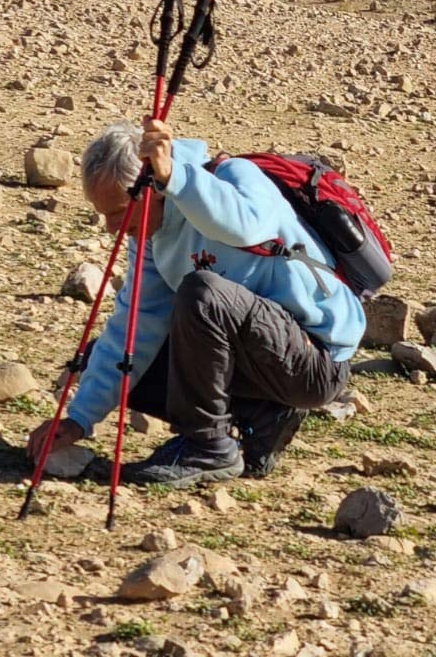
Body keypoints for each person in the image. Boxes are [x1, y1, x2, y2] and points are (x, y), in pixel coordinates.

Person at [26, 115, 365, 488]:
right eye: (104, 215)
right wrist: (78, 419)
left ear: (152, 185)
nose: (111, 229)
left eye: (120, 212)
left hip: (314, 362)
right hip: (257, 360)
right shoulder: (152, 238)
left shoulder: (235, 175)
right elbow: (136, 324)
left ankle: (207, 447)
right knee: (108, 359)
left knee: (203, 293)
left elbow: (247, 227)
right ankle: (261, 417)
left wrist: (177, 178)